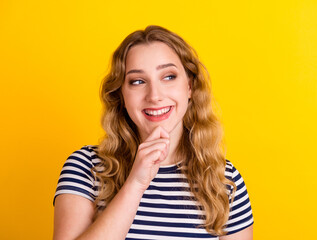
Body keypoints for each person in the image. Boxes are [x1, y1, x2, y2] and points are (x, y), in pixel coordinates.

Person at [53, 25, 254, 240]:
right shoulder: (86, 167)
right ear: (121, 94)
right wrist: (136, 184)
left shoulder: (223, 179)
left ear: (190, 86)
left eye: (168, 77)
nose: (154, 95)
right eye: (137, 81)